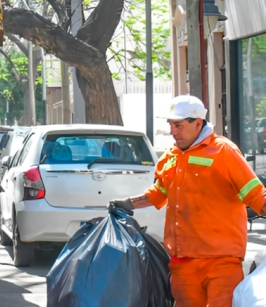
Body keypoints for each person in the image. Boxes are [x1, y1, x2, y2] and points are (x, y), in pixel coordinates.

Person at [110, 95, 266, 307]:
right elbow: (159, 192)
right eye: (171, 125)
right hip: (183, 263)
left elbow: (255, 193)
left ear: (198, 124)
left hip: (221, 261)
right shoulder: (172, 156)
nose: (173, 131)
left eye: (179, 125)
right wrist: (130, 202)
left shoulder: (224, 152)